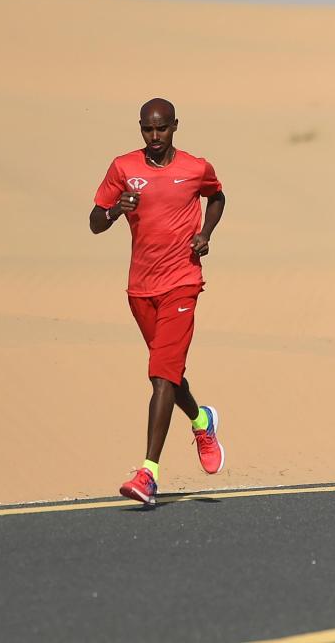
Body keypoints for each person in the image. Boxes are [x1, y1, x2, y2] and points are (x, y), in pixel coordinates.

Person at [89, 98, 226, 506]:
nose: (154, 137)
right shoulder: (123, 168)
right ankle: (202, 420)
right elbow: (94, 222)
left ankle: (149, 473)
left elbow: (217, 197)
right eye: (147, 130)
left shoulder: (196, 167)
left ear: (174, 127)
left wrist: (206, 234)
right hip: (140, 289)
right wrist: (115, 210)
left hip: (182, 282)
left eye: (161, 129)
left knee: (160, 376)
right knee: (165, 373)